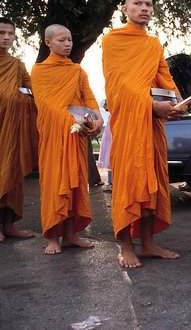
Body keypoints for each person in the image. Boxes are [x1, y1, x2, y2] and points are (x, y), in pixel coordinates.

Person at [102, 0, 183, 268]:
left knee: (154, 183)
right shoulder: (113, 40)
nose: (144, 8)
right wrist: (151, 105)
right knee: (129, 183)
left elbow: (164, 76)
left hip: (151, 127)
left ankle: (148, 244)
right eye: (138, 4)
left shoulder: (153, 44)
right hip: (128, 126)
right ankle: (126, 246)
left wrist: (176, 102)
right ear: (125, 9)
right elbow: (119, 87)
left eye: (149, 4)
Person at [31, 24, 104, 254]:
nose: (67, 44)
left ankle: (71, 235)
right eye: (61, 40)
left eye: (70, 39)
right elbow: (47, 105)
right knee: (55, 185)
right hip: (54, 138)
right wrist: (76, 122)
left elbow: (89, 99)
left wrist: (97, 119)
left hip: (75, 138)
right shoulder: (39, 71)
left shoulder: (77, 71)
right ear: (48, 43)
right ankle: (52, 236)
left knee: (76, 185)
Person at [0, 17, 38, 242]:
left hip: (13, 130)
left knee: (13, 176)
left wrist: (18, 98)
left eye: (10, 34)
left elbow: (33, 93)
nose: (6, 38)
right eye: (1, 33)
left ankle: (8, 224)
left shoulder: (18, 65)